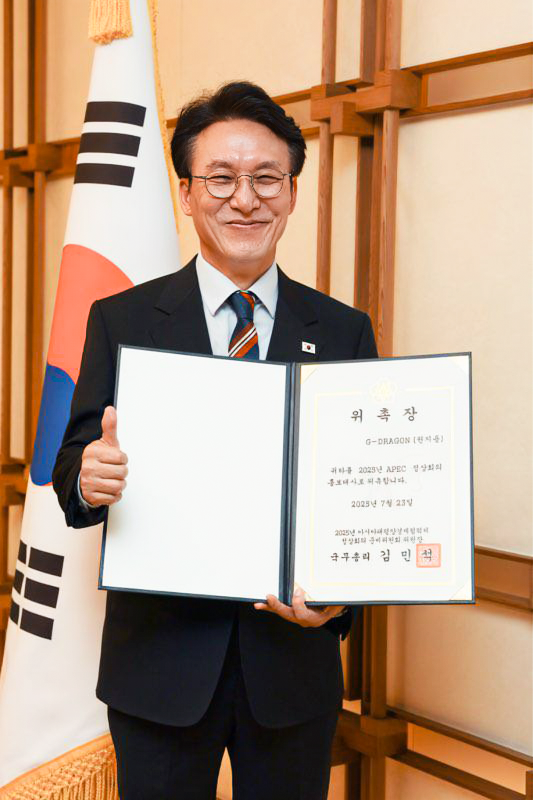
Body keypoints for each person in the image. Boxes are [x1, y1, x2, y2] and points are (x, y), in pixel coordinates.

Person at [53, 81, 377, 800]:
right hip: (159, 667)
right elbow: (73, 467)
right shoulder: (122, 319)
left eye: (266, 178)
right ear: (186, 193)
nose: (245, 199)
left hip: (291, 665)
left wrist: (341, 599)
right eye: (221, 179)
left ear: (292, 192)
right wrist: (88, 477)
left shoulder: (342, 331)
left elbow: (355, 492)